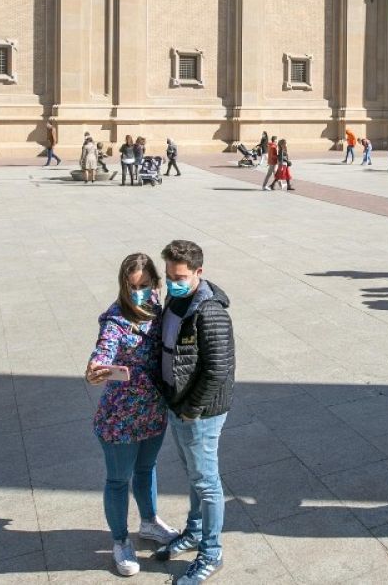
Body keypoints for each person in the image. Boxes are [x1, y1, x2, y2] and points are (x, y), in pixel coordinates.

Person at [86, 253, 179, 576]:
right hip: (120, 418)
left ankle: (150, 522)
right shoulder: (114, 319)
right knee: (117, 480)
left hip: (153, 409)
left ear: (155, 283)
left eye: (145, 284)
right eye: (132, 286)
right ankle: (121, 540)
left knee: (146, 469)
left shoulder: (158, 309)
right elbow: (105, 348)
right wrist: (97, 367)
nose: (139, 291)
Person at [152, 240, 235, 585]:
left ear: (199, 273)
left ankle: (211, 552)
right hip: (178, 404)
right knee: (193, 476)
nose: (173, 281)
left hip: (198, 412)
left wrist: (192, 409)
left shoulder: (210, 311)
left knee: (207, 482)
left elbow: (218, 368)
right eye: (169, 275)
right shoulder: (176, 299)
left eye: (180, 276)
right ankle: (195, 531)